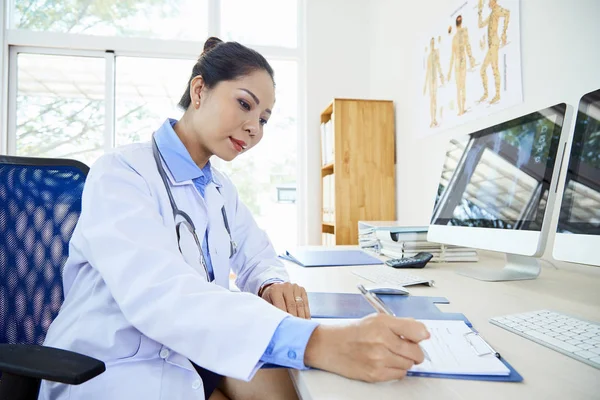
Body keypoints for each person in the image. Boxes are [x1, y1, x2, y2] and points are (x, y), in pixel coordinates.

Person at [38, 37, 430, 400]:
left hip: (194, 352)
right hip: (116, 366)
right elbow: (160, 294)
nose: (254, 128)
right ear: (199, 91)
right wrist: (317, 341)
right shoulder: (122, 172)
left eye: (264, 119)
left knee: (313, 390)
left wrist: (270, 281)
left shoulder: (219, 189)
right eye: (245, 104)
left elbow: (257, 253)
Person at [478, 0, 510, 104]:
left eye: (490, 1)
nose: (488, 3)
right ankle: (487, 93)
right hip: (491, 45)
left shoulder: (497, 10)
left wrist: (504, 32)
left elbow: (507, 13)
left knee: (494, 68)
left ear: (494, 2)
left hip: (494, 43)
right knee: (483, 70)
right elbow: (481, 25)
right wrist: (479, 12)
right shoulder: (492, 13)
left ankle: (497, 94)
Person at [447, 15, 476, 116]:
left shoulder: (461, 35)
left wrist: (471, 59)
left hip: (461, 62)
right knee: (460, 87)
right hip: (459, 63)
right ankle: (461, 109)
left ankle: (461, 109)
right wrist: (449, 72)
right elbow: (453, 55)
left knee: (460, 87)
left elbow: (467, 47)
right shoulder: (457, 37)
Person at [423, 37, 445, 128]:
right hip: (430, 81)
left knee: (434, 99)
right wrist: (425, 85)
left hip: (435, 79)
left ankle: (434, 119)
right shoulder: (428, 57)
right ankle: (432, 119)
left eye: (433, 43)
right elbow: (427, 71)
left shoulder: (436, 54)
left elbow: (438, 65)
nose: (432, 45)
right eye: (431, 43)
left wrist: (441, 75)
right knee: (431, 100)